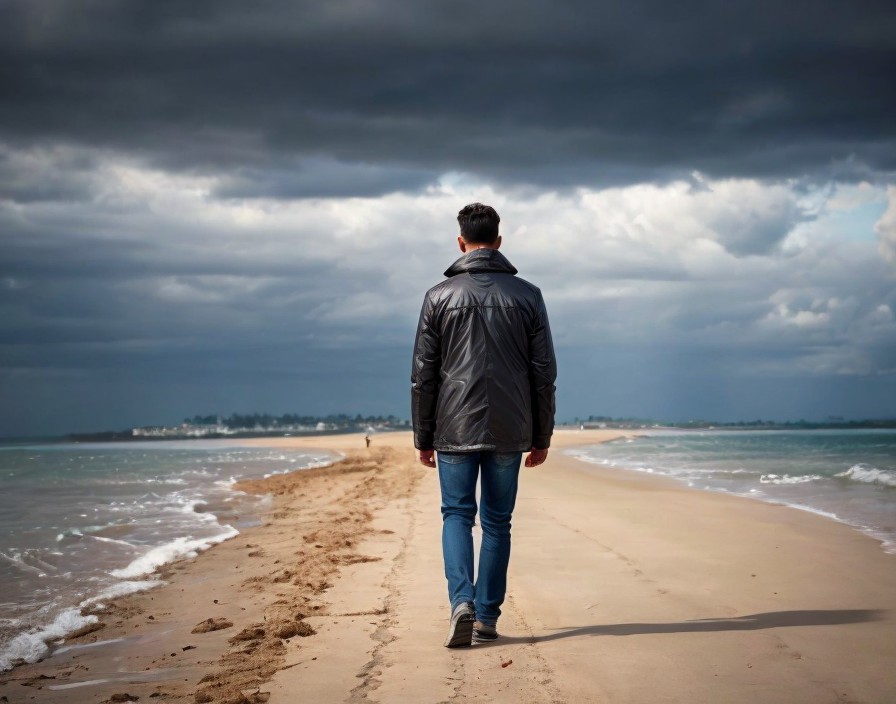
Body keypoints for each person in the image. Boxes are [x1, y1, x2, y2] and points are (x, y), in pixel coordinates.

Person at [411, 202, 557, 648]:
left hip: (453, 426)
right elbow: (543, 372)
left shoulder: (438, 296)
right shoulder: (528, 295)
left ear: (461, 243)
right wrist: (542, 436)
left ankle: (462, 603)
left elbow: (424, 374)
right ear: (498, 241)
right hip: (511, 427)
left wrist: (423, 436)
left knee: (457, 515)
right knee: (497, 522)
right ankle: (487, 617)